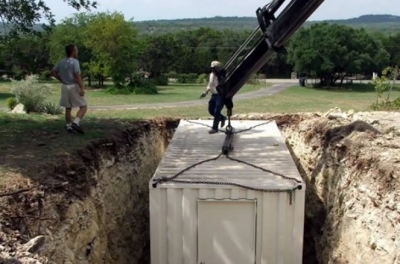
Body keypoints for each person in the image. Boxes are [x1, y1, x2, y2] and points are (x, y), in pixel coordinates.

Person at [51, 44, 87, 134]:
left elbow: (53, 71)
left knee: (68, 107)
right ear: (73, 51)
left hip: (64, 86)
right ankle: (76, 122)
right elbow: (77, 75)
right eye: (76, 50)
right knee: (83, 106)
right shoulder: (75, 62)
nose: (77, 52)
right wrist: (82, 87)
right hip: (73, 86)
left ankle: (69, 126)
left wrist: (61, 79)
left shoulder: (61, 62)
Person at [204, 60, 227, 134]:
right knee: (211, 110)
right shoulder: (211, 74)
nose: (212, 69)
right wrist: (206, 92)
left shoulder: (223, 75)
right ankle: (222, 118)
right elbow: (210, 84)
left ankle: (215, 128)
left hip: (220, 95)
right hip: (213, 95)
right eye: (212, 68)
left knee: (217, 111)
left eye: (214, 68)